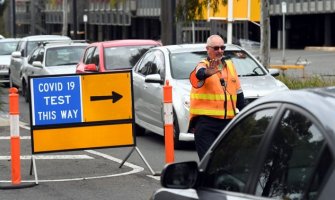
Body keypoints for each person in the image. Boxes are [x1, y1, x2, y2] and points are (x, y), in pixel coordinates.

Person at [189, 34, 245, 160]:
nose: (220, 51)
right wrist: (206, 73)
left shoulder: (230, 66)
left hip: (227, 123)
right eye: (215, 48)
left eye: (222, 47)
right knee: (208, 162)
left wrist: (248, 115)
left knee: (228, 161)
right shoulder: (203, 65)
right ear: (207, 49)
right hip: (206, 124)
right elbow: (198, 75)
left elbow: (239, 94)